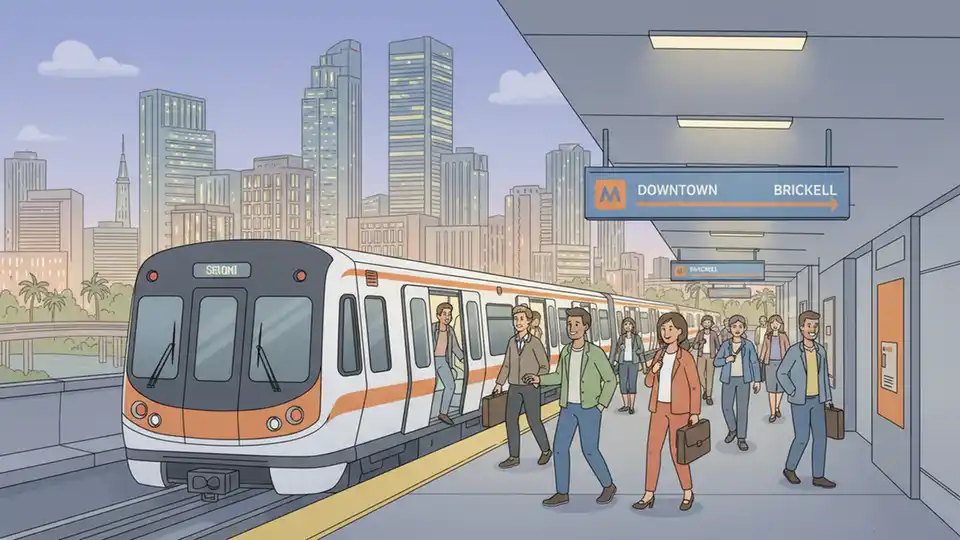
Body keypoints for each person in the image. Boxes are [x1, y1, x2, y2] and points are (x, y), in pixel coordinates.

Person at [523, 307, 617, 507]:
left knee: (590, 450)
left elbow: (610, 380)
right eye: (569, 324)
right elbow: (559, 377)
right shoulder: (566, 351)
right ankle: (562, 492)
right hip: (568, 408)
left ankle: (608, 485)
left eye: (576, 324)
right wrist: (539, 379)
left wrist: (600, 405)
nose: (572, 328)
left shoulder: (595, 353)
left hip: (589, 408)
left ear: (585, 327)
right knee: (559, 449)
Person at [633, 311, 701, 512]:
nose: (666, 332)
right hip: (659, 409)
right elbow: (647, 382)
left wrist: (694, 412)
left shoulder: (685, 357)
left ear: (680, 331)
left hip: (679, 411)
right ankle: (649, 493)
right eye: (663, 328)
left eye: (671, 328)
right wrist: (653, 371)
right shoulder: (659, 355)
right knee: (652, 450)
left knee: (678, 452)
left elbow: (695, 386)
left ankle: (687, 491)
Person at [777, 310, 836, 489]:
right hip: (800, 402)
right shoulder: (794, 351)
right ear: (801, 327)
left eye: (815, 325)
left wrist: (827, 398)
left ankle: (818, 476)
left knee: (820, 438)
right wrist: (792, 390)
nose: (813, 329)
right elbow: (781, 372)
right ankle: (789, 468)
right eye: (809, 325)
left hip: (818, 401)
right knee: (802, 437)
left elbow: (824, 376)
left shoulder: (821, 351)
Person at [493, 305, 552, 469]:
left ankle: (546, 450)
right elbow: (506, 364)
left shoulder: (535, 343)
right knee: (511, 421)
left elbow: (544, 365)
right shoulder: (512, 342)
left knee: (533, 420)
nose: (518, 322)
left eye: (521, 319)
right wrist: (499, 383)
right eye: (516, 319)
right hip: (514, 387)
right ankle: (514, 456)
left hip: (530, 388)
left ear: (529, 322)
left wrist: (536, 378)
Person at [714, 314, 762, 451]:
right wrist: (726, 360)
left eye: (740, 326)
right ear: (729, 328)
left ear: (744, 328)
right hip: (728, 380)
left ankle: (741, 438)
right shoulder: (725, 345)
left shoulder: (748, 345)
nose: (737, 329)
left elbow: (754, 362)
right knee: (726, 407)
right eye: (734, 326)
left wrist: (757, 380)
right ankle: (732, 429)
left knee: (742, 409)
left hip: (743, 380)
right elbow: (717, 362)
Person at [432, 302, 465, 426]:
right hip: (428, 362)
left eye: (449, 314)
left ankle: (443, 413)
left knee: (450, 385)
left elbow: (455, 347)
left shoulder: (450, 330)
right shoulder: (432, 328)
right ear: (438, 316)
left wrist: (464, 360)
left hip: (442, 361)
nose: (447, 317)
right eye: (444, 314)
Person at [759, 314, 790, 423]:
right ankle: (772, 412)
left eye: (777, 323)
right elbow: (764, 349)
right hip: (769, 364)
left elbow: (788, 350)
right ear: (770, 324)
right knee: (771, 389)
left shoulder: (784, 336)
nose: (775, 325)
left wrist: (788, 364)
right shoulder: (767, 336)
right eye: (773, 323)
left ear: (780, 324)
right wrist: (760, 360)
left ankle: (777, 407)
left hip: (782, 364)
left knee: (780, 389)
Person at [613, 317, 644, 414]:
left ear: (633, 326)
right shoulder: (621, 338)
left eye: (629, 324)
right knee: (623, 384)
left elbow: (641, 350)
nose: (627, 326)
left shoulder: (637, 338)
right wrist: (620, 350)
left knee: (632, 384)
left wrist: (644, 365)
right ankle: (626, 405)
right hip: (623, 363)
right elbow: (617, 351)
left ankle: (632, 406)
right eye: (625, 324)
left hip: (633, 363)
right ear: (623, 326)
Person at [693, 315, 720, 406]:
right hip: (701, 356)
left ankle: (709, 396)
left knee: (709, 376)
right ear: (702, 324)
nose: (707, 324)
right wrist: (700, 343)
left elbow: (718, 346)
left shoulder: (714, 334)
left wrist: (720, 356)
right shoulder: (700, 333)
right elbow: (694, 346)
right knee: (700, 375)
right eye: (705, 322)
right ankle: (705, 389)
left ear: (711, 323)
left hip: (711, 357)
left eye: (709, 322)